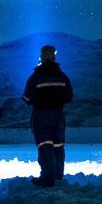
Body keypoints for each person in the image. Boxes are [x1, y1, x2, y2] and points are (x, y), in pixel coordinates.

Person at [21, 44, 73, 186]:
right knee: (58, 146)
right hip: (58, 115)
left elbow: (26, 97)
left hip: (41, 115)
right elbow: (69, 96)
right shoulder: (62, 76)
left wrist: (39, 100)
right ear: (54, 58)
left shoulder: (36, 77)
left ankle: (47, 178)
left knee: (45, 145)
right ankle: (57, 177)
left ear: (41, 57)